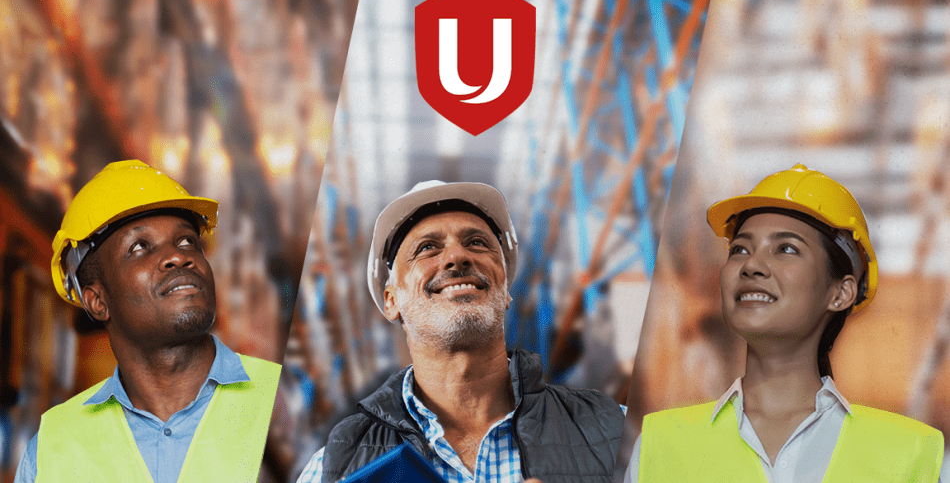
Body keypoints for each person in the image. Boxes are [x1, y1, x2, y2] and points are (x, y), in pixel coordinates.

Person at [626, 164, 944, 482]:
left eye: (786, 248)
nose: (752, 264)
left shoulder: (911, 454)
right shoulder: (660, 445)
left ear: (841, 292)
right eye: (739, 249)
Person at [297, 180, 625, 483]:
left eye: (477, 243)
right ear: (391, 300)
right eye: (427, 248)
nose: (457, 256)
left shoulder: (615, 432)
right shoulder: (333, 469)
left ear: (506, 288)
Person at [14, 160, 281, 483]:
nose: (179, 256)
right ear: (97, 301)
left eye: (187, 241)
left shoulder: (283, 402)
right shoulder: (50, 450)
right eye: (140, 247)